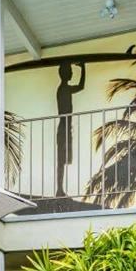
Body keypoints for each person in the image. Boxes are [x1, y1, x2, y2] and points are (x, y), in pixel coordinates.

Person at [54, 60, 86, 197]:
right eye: (71, 72)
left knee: (63, 160)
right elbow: (81, 86)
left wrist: (83, 68)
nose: (72, 73)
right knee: (61, 161)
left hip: (66, 127)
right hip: (64, 127)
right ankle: (59, 189)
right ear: (65, 74)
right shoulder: (64, 89)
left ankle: (60, 189)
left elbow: (80, 86)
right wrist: (84, 68)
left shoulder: (64, 88)